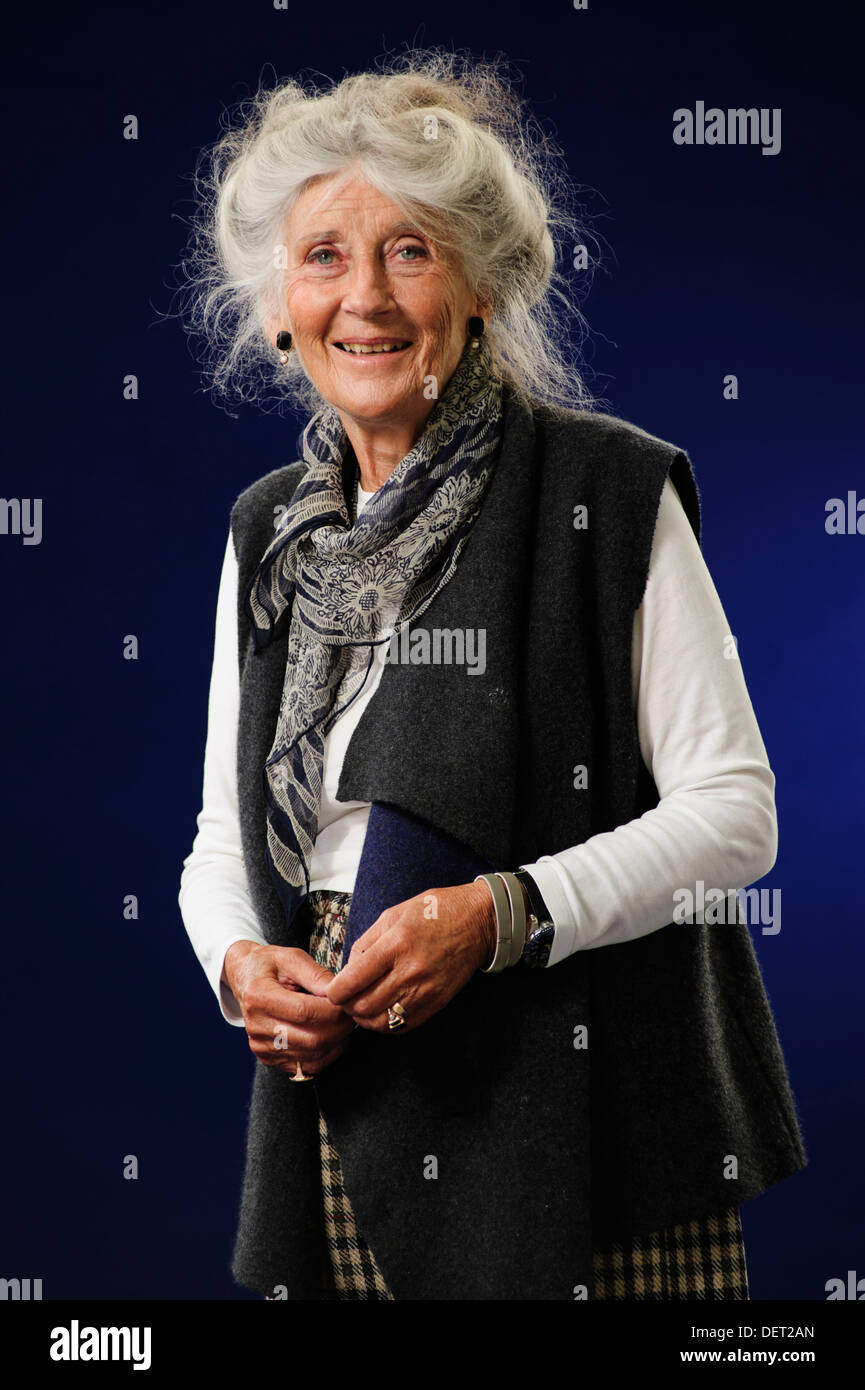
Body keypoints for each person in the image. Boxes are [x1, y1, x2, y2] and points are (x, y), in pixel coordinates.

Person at [177, 51, 806, 1301]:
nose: (365, 296)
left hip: (585, 1118)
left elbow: (736, 814)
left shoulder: (604, 488)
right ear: (272, 306)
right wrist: (243, 966)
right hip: (345, 1094)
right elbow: (217, 839)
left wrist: (502, 914)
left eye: (410, 250)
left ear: (481, 285)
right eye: (322, 256)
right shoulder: (270, 532)